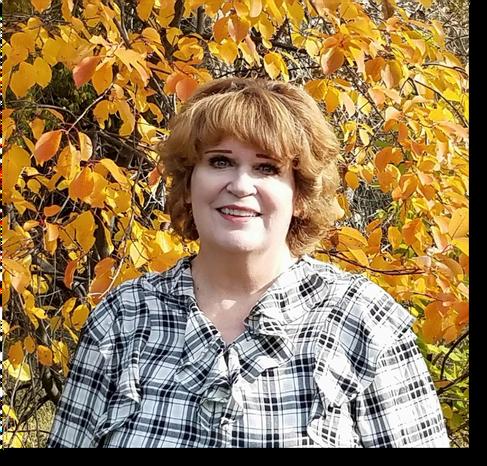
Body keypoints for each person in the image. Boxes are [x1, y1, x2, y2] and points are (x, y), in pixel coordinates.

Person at [48, 77, 449, 448]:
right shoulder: (124, 318)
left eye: (266, 168)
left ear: (301, 195)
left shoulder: (364, 322)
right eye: (220, 162)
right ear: (188, 184)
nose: (240, 185)